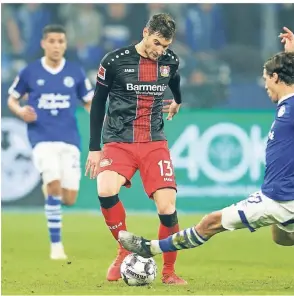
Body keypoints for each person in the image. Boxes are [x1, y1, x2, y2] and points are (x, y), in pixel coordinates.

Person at [117, 27, 294, 273]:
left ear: (276, 77)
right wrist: (290, 53)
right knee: (284, 237)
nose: (264, 85)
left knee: (210, 223)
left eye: (266, 79)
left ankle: (148, 248)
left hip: (278, 197)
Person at [85, 13, 186, 285]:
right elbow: (98, 104)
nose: (160, 51)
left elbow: (173, 78)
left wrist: (177, 100)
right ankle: (123, 249)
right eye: (156, 43)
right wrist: (95, 148)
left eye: (165, 46)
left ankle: (168, 272)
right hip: (118, 140)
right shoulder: (114, 61)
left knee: (167, 207)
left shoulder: (169, 60)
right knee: (105, 190)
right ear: (145, 32)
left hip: (154, 142)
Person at [7, 24, 94, 260]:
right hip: (41, 137)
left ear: (65, 45)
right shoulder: (30, 72)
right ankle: (56, 246)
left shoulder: (75, 72)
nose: (56, 45)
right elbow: (12, 99)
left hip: (69, 139)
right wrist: (20, 111)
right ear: (44, 43)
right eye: (52, 41)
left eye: (61, 41)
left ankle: (50, 189)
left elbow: (88, 101)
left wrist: (99, 117)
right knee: (54, 185)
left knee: (69, 198)